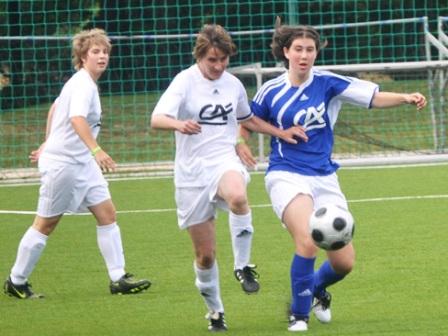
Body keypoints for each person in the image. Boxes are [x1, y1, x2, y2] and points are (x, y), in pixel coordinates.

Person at [237, 18, 427, 332]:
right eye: (298, 49)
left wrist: (405, 97)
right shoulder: (270, 89)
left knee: (344, 263)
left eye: (310, 49)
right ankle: (299, 316)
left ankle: (315, 291)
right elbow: (247, 119)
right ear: (286, 52)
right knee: (308, 242)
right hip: (286, 174)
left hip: (324, 176)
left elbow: (372, 96)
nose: (304, 55)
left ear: (315, 54)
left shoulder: (328, 83)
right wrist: (241, 141)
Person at [150, 24, 307, 332]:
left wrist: (279, 132)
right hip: (191, 175)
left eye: (223, 59)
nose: (219, 66)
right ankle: (216, 312)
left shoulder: (232, 84)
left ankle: (242, 266)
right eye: (212, 60)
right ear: (199, 56)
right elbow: (157, 118)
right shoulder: (184, 82)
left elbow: (246, 118)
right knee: (205, 257)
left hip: (224, 161)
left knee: (238, 195)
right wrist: (179, 125)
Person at [3, 28, 151, 299]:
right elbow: (76, 119)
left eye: (105, 51)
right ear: (82, 57)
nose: (102, 56)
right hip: (64, 164)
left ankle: (118, 278)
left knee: (107, 214)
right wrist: (96, 150)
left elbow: (54, 109)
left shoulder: (83, 82)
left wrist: (47, 142)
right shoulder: (82, 83)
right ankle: (16, 280)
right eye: (95, 52)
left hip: (81, 163)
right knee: (45, 223)